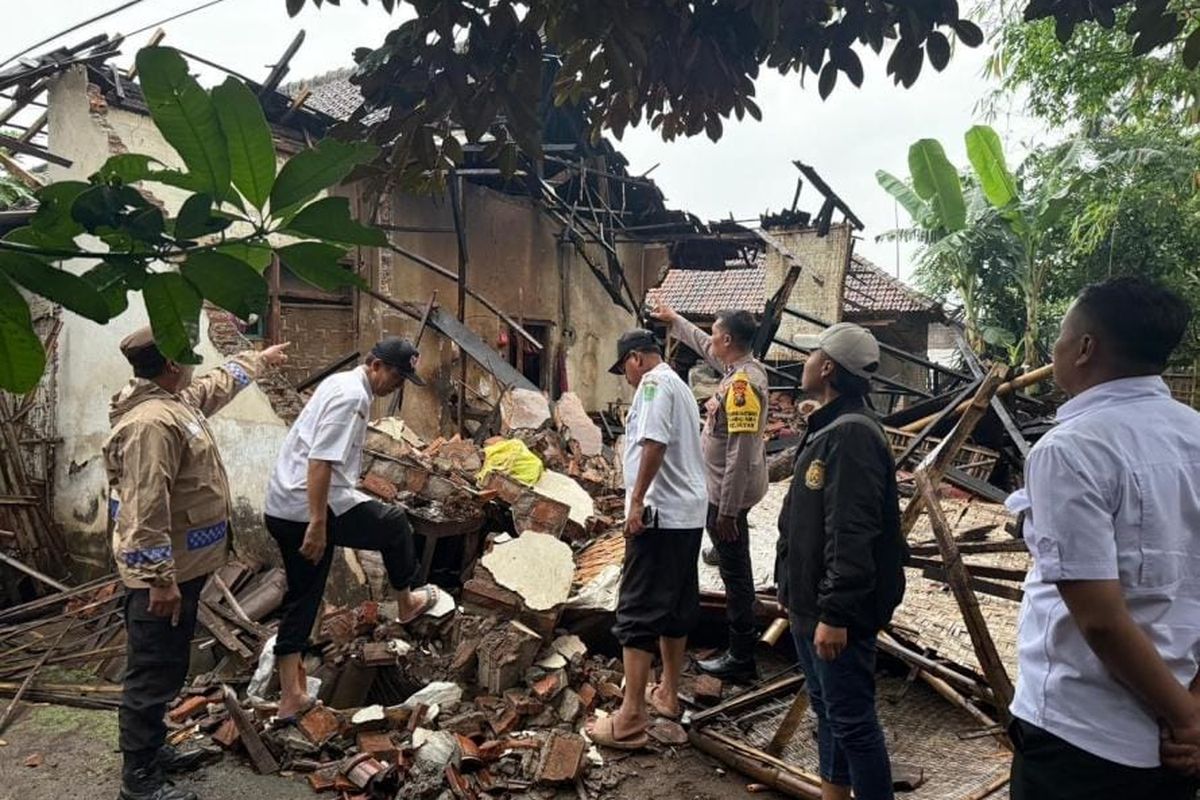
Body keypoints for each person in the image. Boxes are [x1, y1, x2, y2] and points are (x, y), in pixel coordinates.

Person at [1006, 277, 1200, 799]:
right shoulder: (1195, 435)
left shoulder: (1069, 450)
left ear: (1086, 348)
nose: (1056, 349)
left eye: (1063, 335)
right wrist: (1193, 709)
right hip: (1178, 743)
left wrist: (1185, 718)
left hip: (1082, 732)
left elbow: (1100, 620)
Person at [104, 327, 290, 800]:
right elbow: (144, 511)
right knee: (152, 671)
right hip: (161, 580)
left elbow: (213, 386)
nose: (192, 362)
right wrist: (159, 582)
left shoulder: (174, 402)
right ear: (170, 364)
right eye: (186, 355)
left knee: (167, 667)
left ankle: (154, 750)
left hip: (182, 569)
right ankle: (140, 781)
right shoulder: (151, 423)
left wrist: (259, 360)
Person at [264, 338, 441, 723]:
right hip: (305, 508)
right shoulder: (352, 398)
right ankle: (408, 604)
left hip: (288, 504)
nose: (398, 384)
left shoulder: (342, 383)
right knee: (393, 525)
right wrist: (317, 524)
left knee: (303, 596)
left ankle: (291, 694)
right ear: (375, 364)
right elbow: (319, 462)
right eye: (396, 374)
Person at [776, 322, 904, 800]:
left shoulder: (851, 436)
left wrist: (835, 612)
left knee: (853, 722)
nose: (806, 362)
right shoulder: (829, 428)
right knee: (829, 712)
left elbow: (851, 534)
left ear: (827, 367)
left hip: (835, 613)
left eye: (813, 355)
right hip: (812, 604)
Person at [586, 329, 708, 749]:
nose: (627, 377)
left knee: (636, 610)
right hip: (686, 514)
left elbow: (654, 443)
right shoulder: (680, 385)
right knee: (675, 606)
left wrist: (635, 501)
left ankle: (631, 717)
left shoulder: (655, 385)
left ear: (637, 358)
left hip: (659, 514)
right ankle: (668, 694)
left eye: (625, 368)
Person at [650, 303, 768, 683]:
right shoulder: (738, 370)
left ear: (729, 340)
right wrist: (675, 320)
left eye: (716, 332)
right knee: (730, 557)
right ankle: (723, 547)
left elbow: (741, 452)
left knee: (737, 576)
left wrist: (728, 512)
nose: (711, 337)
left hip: (724, 494)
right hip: (720, 488)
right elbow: (703, 345)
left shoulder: (742, 387)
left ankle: (741, 656)